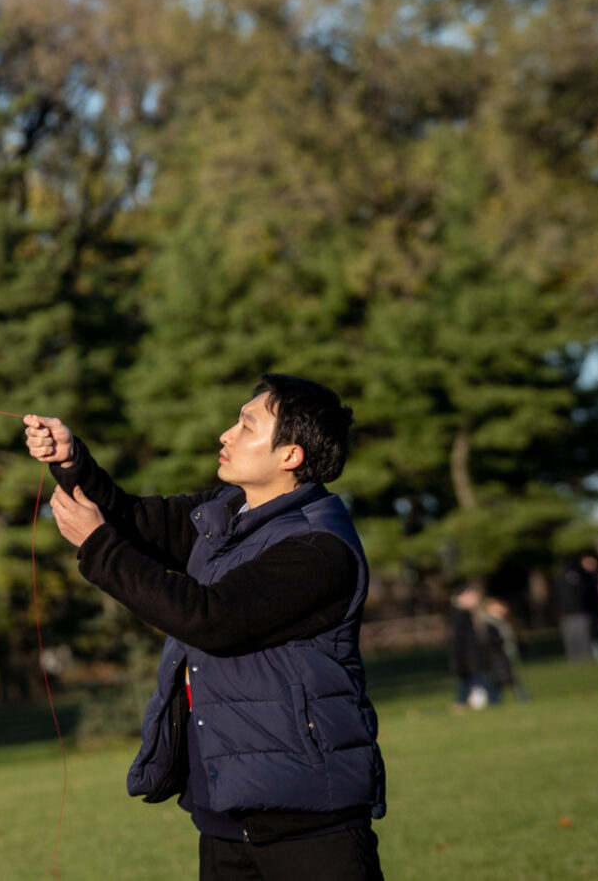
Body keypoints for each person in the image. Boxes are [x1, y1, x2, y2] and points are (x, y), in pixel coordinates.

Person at [25, 374, 384, 881]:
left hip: (309, 821)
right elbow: (131, 519)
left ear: (291, 456)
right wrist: (70, 462)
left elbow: (210, 618)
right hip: (225, 819)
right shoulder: (227, 516)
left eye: (246, 425)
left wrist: (98, 546)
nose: (226, 434)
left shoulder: (317, 548)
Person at [447, 585, 490, 709]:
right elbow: (458, 641)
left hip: (468, 657)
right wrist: (460, 659)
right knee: (476, 681)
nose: (476, 601)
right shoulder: (458, 614)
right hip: (466, 657)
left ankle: (461, 703)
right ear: (464, 596)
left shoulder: (463, 614)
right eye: (473, 598)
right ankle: (466, 703)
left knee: (467, 682)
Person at [481, 597, 528, 702]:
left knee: (512, 677)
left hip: (507, 653)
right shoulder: (490, 624)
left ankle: (522, 697)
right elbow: (492, 640)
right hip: (498, 655)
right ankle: (495, 699)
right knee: (501, 678)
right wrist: (503, 640)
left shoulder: (503, 621)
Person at [555, 554, 598, 663]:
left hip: (567, 613)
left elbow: (556, 596)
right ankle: (586, 658)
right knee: (584, 638)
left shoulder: (560, 577)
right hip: (581, 611)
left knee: (571, 640)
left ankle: (574, 659)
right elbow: (588, 592)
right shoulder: (581, 576)